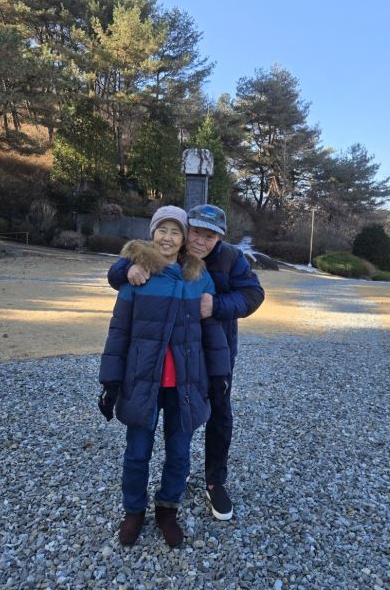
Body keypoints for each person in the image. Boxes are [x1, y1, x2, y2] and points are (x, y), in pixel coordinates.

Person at [107, 204, 264, 521]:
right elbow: (120, 272)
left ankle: (214, 482)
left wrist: (216, 305)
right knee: (146, 439)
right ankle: (141, 505)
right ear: (186, 230)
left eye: (210, 237)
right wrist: (126, 270)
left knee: (218, 414)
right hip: (157, 359)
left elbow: (253, 294)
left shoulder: (230, 259)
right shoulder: (160, 255)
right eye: (196, 233)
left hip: (211, 348)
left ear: (219, 238)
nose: (200, 242)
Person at [97, 206, 232, 548]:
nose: (167, 238)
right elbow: (119, 331)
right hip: (143, 379)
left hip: (186, 382)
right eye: (162, 230)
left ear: (184, 239)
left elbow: (212, 332)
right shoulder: (137, 276)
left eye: (175, 232)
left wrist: (219, 375)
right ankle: (133, 511)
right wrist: (110, 382)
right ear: (152, 233)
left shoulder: (198, 278)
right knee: (137, 452)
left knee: (179, 453)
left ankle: (167, 510)